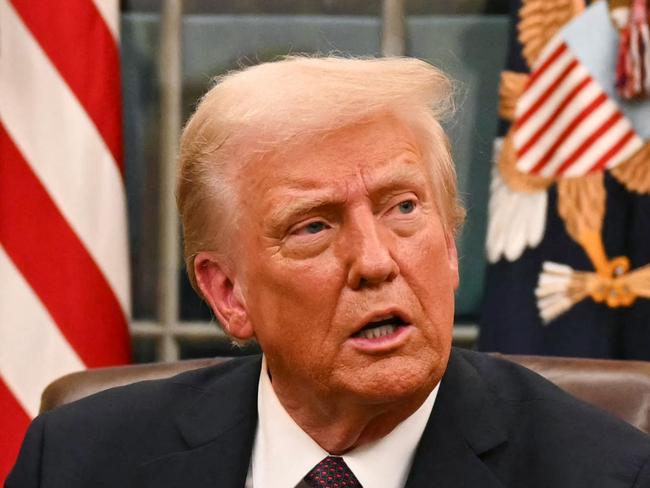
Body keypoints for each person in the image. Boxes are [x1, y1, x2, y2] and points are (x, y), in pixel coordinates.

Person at [7, 56, 650, 488]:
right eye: (314, 226)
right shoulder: (77, 462)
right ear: (228, 293)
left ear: (450, 247)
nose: (375, 262)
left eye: (403, 208)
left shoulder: (607, 473)